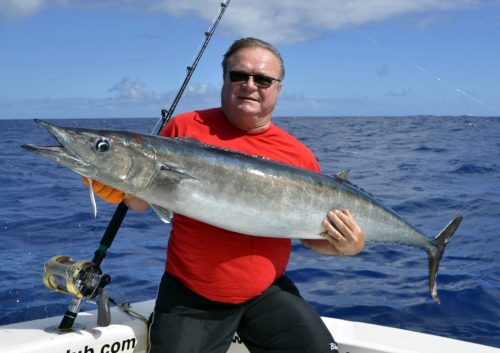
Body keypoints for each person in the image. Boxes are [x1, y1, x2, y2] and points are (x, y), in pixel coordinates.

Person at [87, 37, 364, 353]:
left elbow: (311, 237)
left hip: (265, 292)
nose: (250, 85)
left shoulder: (299, 155)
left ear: (278, 88)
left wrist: (348, 247)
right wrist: (111, 183)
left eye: (262, 79)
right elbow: (141, 198)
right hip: (191, 297)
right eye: (239, 75)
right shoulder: (185, 127)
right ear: (224, 80)